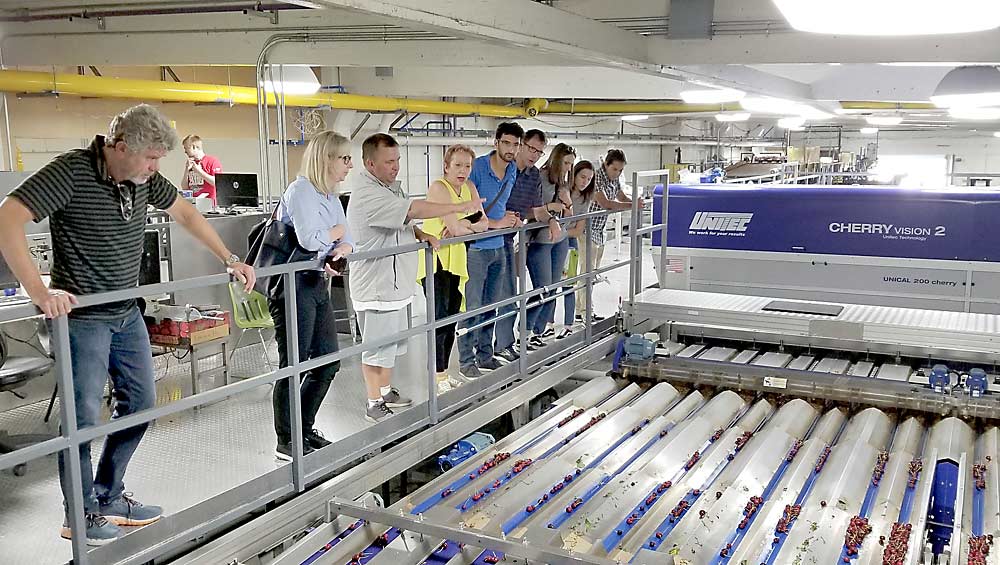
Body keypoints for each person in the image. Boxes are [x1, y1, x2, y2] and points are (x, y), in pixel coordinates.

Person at [0, 104, 256, 546]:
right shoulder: (71, 172)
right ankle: (77, 516)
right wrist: (39, 293)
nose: (156, 168)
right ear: (119, 147)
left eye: (160, 160)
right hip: (82, 320)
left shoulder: (143, 179)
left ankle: (107, 494)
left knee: (141, 403)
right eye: (150, 159)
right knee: (80, 423)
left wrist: (230, 258)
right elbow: (7, 216)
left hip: (125, 312)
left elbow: (188, 214)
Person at [347, 133, 481, 422]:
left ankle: (385, 391)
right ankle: (373, 403)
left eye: (397, 160)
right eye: (388, 161)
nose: (395, 166)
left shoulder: (390, 188)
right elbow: (414, 210)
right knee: (375, 348)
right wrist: (458, 208)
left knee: (391, 345)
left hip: (396, 284)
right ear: (370, 163)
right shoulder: (369, 193)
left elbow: (405, 221)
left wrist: (421, 233)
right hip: (377, 285)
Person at [267, 130, 353, 461]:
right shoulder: (301, 191)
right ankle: (286, 439)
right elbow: (308, 239)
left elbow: (349, 238)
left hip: (317, 281)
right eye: (344, 159)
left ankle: (304, 428)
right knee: (295, 365)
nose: (348, 166)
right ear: (326, 159)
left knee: (328, 361)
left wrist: (340, 246)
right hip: (292, 285)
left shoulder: (330, 196)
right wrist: (335, 235)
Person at [417, 145, 489, 394]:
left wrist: (463, 223)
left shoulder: (468, 188)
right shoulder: (439, 187)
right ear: (446, 166)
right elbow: (458, 229)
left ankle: (443, 373)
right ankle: (438, 377)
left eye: (467, 166)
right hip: (437, 261)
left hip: (457, 259)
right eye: (457, 165)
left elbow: (484, 222)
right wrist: (466, 225)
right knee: (440, 320)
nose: (463, 171)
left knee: (451, 321)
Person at [458, 122, 522, 380]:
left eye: (515, 144)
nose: (510, 149)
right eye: (506, 143)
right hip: (476, 249)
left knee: (491, 305)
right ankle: (466, 360)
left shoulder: (512, 171)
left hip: (500, 246)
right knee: (471, 306)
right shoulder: (478, 169)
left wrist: (509, 219)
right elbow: (466, 210)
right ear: (496, 143)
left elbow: (501, 206)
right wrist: (495, 223)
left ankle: (485, 354)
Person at [493, 128, 555, 360]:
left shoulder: (533, 176)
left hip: (509, 238)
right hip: (487, 237)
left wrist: (551, 220)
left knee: (510, 294)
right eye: (531, 148)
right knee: (486, 299)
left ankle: (503, 345)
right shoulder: (500, 170)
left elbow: (536, 210)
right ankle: (483, 351)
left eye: (539, 152)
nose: (534, 155)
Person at [582, 149, 644, 322]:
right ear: (606, 165)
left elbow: (621, 196)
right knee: (585, 274)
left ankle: (587, 310)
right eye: (615, 169)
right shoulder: (597, 178)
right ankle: (583, 312)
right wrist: (632, 205)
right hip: (586, 229)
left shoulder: (613, 179)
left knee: (592, 273)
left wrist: (634, 201)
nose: (617, 173)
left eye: (621, 170)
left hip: (600, 230)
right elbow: (606, 203)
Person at [524, 143, 575, 347]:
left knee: (552, 289)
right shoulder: (540, 177)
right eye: (566, 163)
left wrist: (567, 202)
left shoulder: (563, 183)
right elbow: (530, 210)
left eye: (571, 164)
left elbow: (570, 216)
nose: (569, 168)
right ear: (556, 160)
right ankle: (524, 331)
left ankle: (538, 330)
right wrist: (551, 207)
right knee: (541, 289)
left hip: (560, 239)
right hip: (540, 240)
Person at [564, 160, 596, 335]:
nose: (585, 182)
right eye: (582, 177)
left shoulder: (585, 199)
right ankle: (547, 324)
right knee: (550, 285)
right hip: (553, 242)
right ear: (574, 175)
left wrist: (560, 230)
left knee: (569, 283)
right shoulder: (562, 192)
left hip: (569, 242)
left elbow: (577, 230)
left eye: (589, 179)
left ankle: (568, 323)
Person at [181, 134, 223, 205]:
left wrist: (199, 172)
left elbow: (218, 183)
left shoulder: (212, 161)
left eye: (186, 148)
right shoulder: (191, 163)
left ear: (194, 147)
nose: (185, 151)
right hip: (194, 205)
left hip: (210, 205)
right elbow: (185, 188)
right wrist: (186, 171)